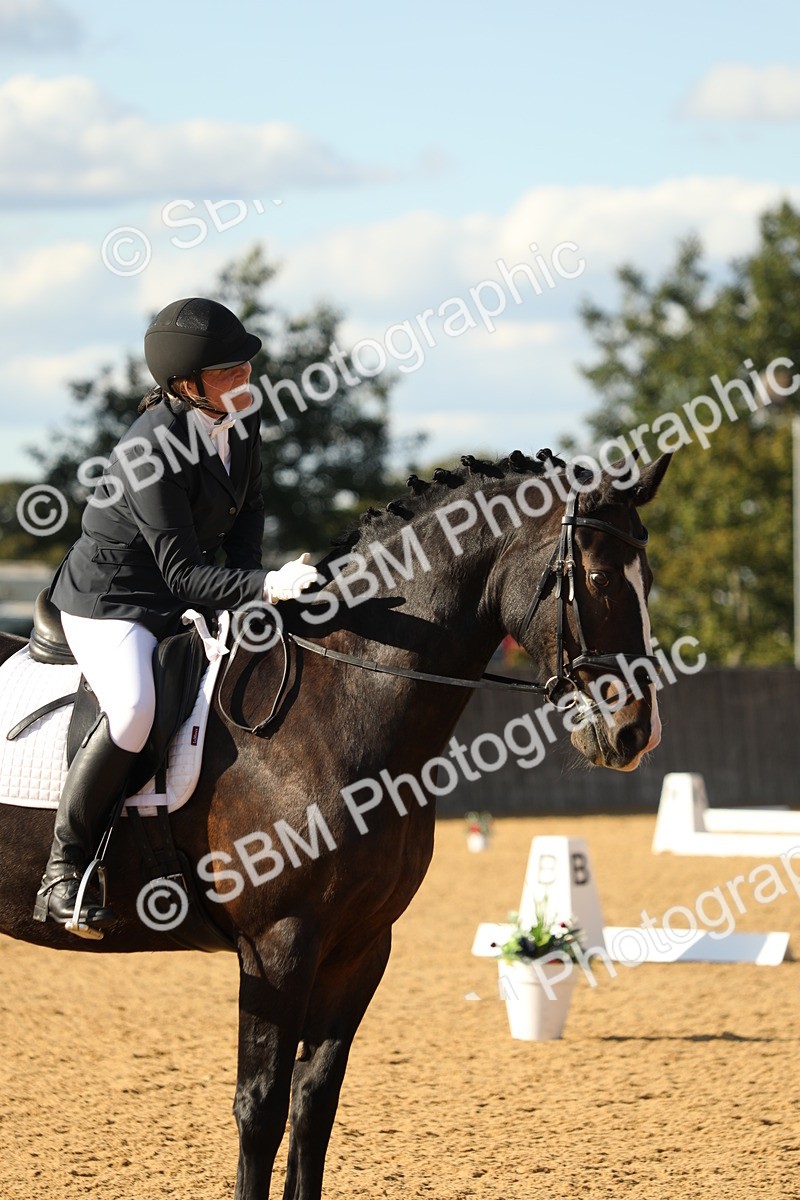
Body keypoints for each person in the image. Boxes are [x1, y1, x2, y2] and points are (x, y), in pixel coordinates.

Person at [33, 297, 318, 938]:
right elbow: (182, 573)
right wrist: (266, 585)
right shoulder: (148, 450)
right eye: (227, 371)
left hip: (181, 591)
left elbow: (248, 515)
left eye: (246, 365)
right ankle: (64, 869)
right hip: (113, 600)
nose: (244, 378)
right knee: (134, 709)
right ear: (186, 385)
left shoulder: (241, 418)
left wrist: (251, 591)